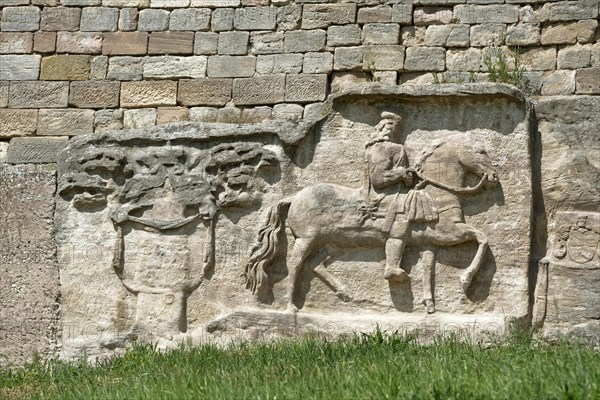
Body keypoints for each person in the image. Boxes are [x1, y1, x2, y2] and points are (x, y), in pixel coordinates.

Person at [364, 112, 415, 282]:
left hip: (393, 190)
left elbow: (406, 182)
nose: (393, 131)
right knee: (401, 218)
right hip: (384, 194)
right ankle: (392, 266)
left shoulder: (378, 147)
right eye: (390, 127)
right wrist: (401, 173)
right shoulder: (386, 148)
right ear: (383, 128)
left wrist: (408, 176)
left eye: (395, 128)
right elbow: (378, 179)